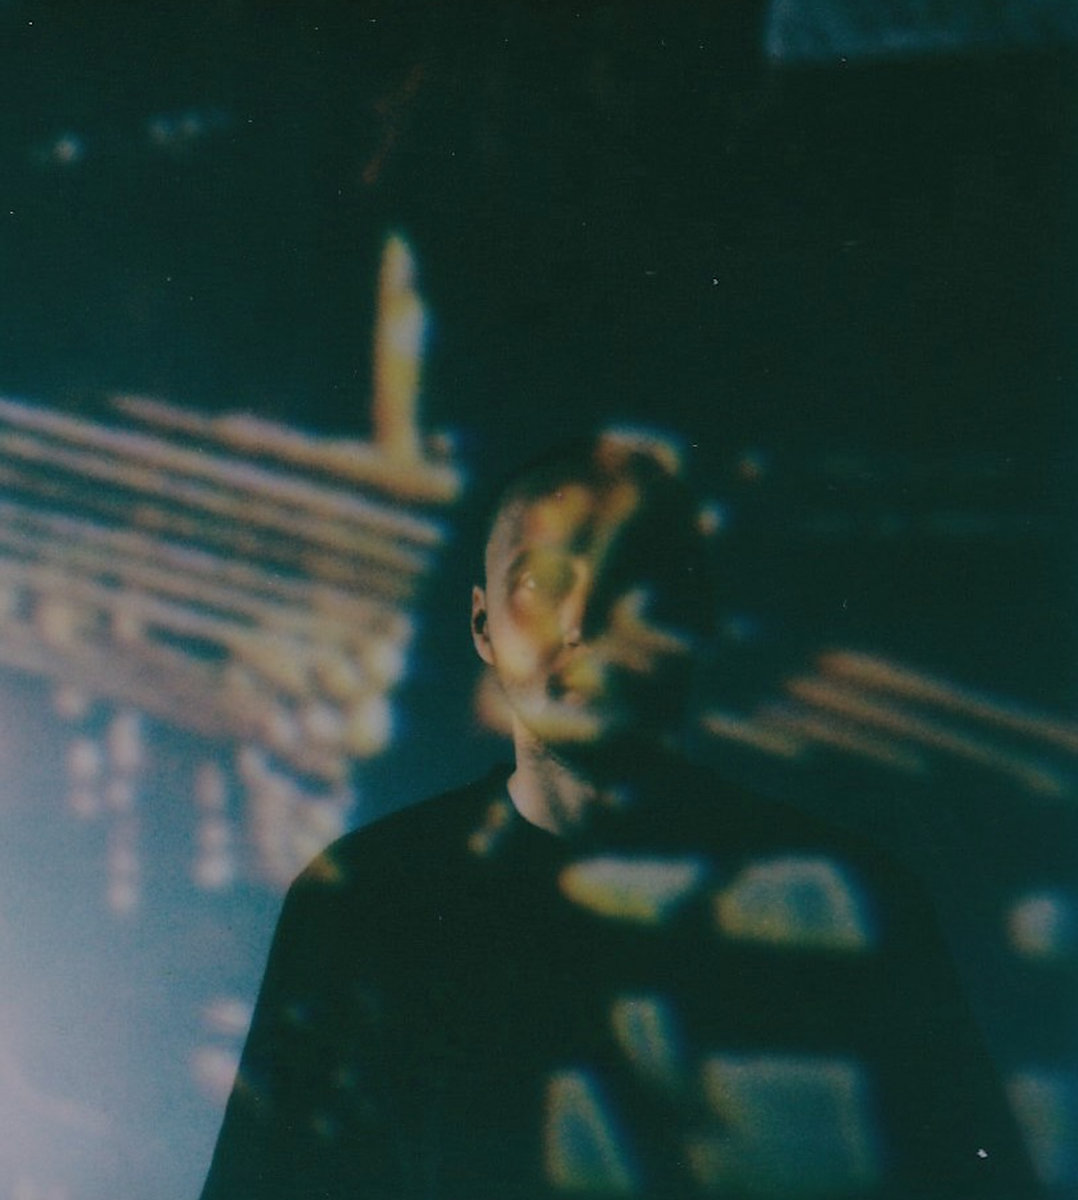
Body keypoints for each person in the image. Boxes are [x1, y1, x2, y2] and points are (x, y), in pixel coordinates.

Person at [199, 431, 1040, 1199]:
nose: (593, 628)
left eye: (650, 595)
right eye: (549, 586)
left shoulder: (848, 893)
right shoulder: (372, 896)